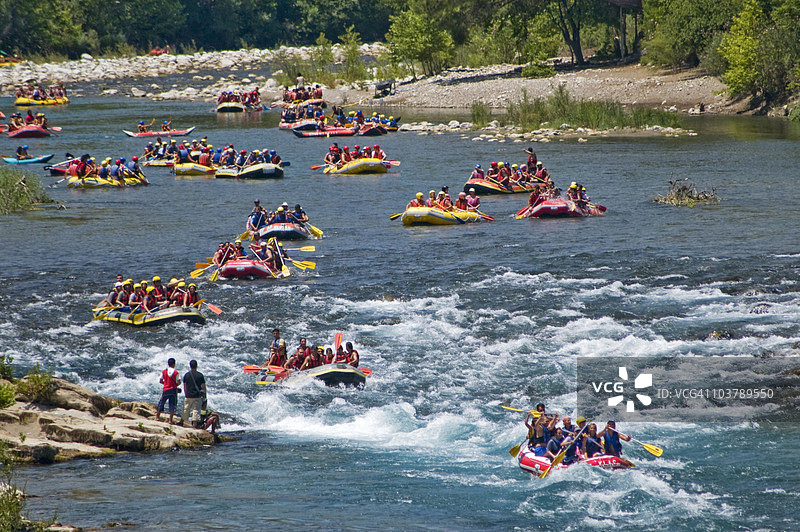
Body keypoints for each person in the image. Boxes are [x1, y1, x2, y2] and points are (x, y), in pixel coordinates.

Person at [182, 360, 206, 428]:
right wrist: (204, 395)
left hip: (188, 395)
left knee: (186, 409)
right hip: (197, 396)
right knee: (196, 410)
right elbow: (203, 386)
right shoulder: (200, 375)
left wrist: (186, 393)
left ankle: (182, 422)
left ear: (190, 366)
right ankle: (194, 425)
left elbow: (185, 386)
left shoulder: (186, 375)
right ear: (196, 366)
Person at [156, 358, 181, 425]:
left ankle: (157, 417)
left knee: (161, 402)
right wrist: (175, 385)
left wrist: (165, 383)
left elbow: (160, 380)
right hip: (173, 390)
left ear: (168, 364)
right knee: (172, 405)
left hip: (166, 389)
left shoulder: (164, 371)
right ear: (174, 364)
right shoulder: (176, 372)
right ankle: (170, 420)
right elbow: (179, 382)